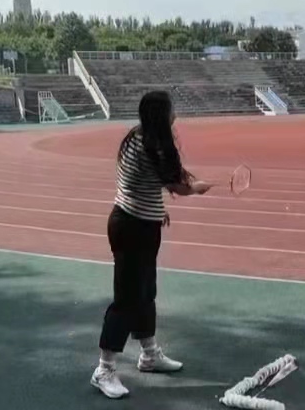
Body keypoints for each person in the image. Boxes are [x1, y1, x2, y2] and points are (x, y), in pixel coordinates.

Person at [91, 91, 213, 399]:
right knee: (126, 300)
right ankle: (104, 370)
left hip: (140, 223)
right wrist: (196, 188)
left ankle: (149, 354)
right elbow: (178, 186)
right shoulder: (151, 146)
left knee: (145, 292)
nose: (176, 113)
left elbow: (142, 184)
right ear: (162, 116)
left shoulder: (138, 136)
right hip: (130, 227)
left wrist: (157, 210)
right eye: (172, 109)